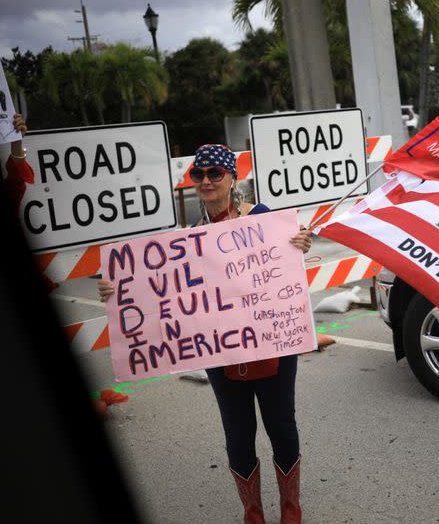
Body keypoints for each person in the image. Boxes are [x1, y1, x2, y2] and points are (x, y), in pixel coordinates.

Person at [99, 144, 311, 524]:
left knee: (281, 424)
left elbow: (287, 267)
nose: (207, 181)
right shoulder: (188, 241)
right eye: (199, 175)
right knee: (238, 432)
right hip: (220, 353)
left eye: (215, 173)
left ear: (232, 178)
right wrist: (116, 290)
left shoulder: (263, 218)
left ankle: (291, 510)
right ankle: (254, 514)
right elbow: (153, 289)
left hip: (272, 344)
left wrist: (301, 242)